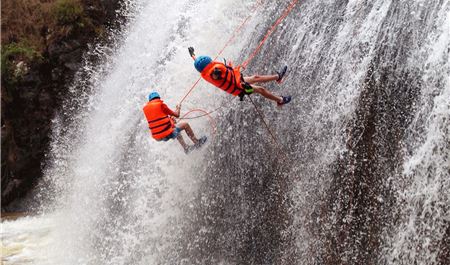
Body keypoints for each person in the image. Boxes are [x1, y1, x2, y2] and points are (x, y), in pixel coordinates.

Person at [188, 47, 291, 106]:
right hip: (240, 88)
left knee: (256, 78)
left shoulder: (204, 72)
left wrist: (193, 55)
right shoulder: (213, 72)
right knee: (261, 89)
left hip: (238, 80)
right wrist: (216, 73)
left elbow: (198, 62)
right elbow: (215, 76)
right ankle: (280, 100)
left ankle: (278, 77)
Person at [143, 91, 207, 154]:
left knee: (175, 128)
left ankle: (186, 148)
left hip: (158, 138)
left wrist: (170, 120)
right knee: (185, 125)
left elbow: (158, 122)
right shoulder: (161, 105)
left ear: (150, 101)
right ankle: (197, 142)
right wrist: (178, 108)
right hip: (167, 134)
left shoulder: (146, 109)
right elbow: (177, 115)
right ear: (159, 98)